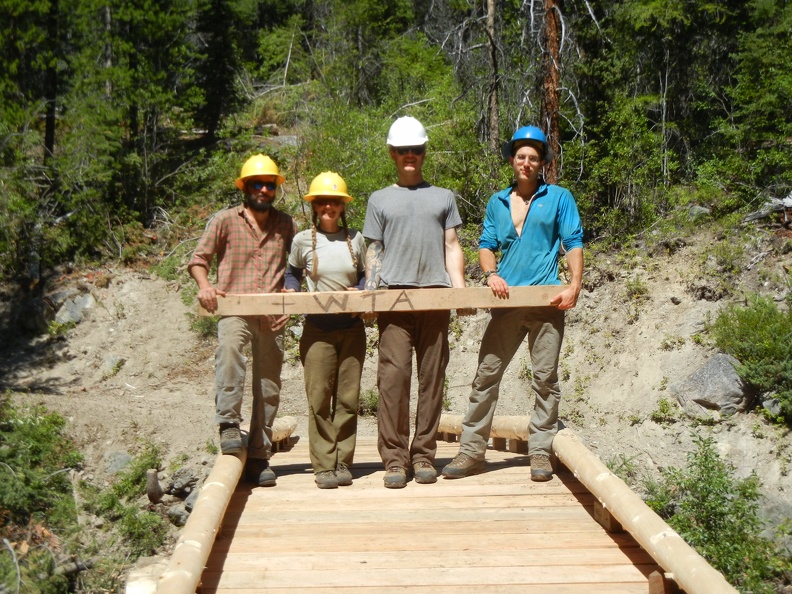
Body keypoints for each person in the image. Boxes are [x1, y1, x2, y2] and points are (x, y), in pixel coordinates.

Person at [441, 125, 584, 482]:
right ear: (512, 160)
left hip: (547, 300)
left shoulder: (559, 198)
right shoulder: (497, 201)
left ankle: (540, 452)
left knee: (545, 379)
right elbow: (487, 244)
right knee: (486, 375)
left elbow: (573, 240)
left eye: (533, 157)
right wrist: (490, 274)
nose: (526, 162)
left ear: (542, 163)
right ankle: (472, 451)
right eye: (521, 156)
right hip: (506, 302)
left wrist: (575, 285)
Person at [363, 116, 470, 489]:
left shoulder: (443, 197)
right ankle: (394, 459)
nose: (410, 155)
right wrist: (370, 295)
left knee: (432, 379)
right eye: (403, 150)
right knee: (393, 379)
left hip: (435, 295)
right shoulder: (379, 199)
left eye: (417, 149)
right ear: (392, 154)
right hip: (393, 296)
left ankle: (424, 454)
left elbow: (452, 245)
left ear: (424, 153)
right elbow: (373, 250)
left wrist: (459, 290)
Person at [188, 153, 297, 488]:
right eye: (257, 184)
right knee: (231, 354)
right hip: (234, 308)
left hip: (272, 315)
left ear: (275, 188)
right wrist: (205, 286)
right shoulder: (225, 221)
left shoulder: (287, 224)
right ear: (245, 187)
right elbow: (199, 259)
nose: (263, 189)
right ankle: (228, 424)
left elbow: (295, 267)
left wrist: (291, 291)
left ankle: (260, 455)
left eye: (269, 184)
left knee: (269, 385)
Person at [283, 171, 367, 490]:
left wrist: (360, 289)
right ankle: (323, 464)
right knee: (319, 397)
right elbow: (291, 273)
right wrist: (291, 290)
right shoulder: (302, 240)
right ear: (315, 207)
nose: (329, 207)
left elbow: (364, 275)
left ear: (342, 206)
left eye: (334, 202)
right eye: (323, 202)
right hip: (317, 328)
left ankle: (344, 460)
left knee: (347, 398)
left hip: (352, 327)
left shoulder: (356, 238)